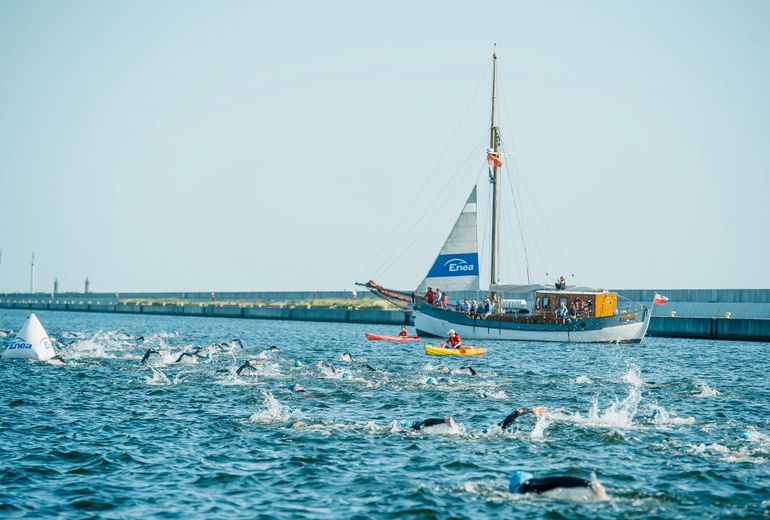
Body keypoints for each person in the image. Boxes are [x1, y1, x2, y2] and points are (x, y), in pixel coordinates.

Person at [509, 471, 608, 499]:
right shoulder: (528, 483)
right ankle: (590, 485)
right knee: (556, 482)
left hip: (523, 493)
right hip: (526, 486)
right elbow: (556, 481)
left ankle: (589, 486)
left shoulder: (516, 490)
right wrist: (587, 484)